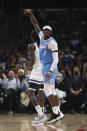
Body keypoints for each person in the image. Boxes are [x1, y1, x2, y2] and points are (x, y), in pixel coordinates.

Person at [24, 9, 64, 124]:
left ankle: (49, 114)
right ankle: (57, 112)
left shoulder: (50, 43)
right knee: (48, 91)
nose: (45, 31)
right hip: (43, 68)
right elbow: (35, 24)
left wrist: (50, 71)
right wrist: (30, 13)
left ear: (50, 32)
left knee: (39, 91)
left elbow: (56, 59)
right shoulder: (41, 38)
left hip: (45, 68)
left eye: (48, 30)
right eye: (44, 30)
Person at [26, 30, 47, 124]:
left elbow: (33, 61)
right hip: (43, 70)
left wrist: (26, 69)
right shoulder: (42, 46)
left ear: (32, 37)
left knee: (30, 93)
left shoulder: (31, 45)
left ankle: (41, 115)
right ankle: (41, 115)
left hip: (37, 70)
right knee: (40, 93)